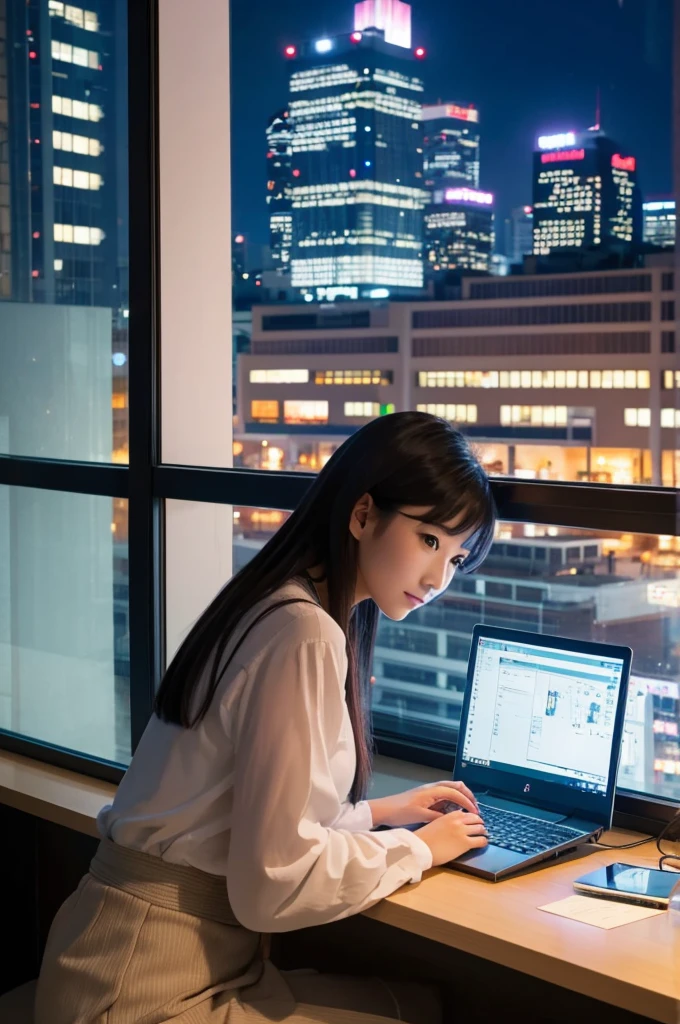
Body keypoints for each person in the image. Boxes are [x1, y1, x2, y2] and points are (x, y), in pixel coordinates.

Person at [35, 411, 495, 1024]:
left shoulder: (275, 599)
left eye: (458, 560)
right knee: (421, 1009)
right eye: (431, 540)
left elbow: (248, 816)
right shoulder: (305, 633)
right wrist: (416, 850)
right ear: (362, 515)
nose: (439, 578)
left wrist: (380, 813)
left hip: (133, 950)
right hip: (144, 981)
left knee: (415, 1003)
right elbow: (271, 883)